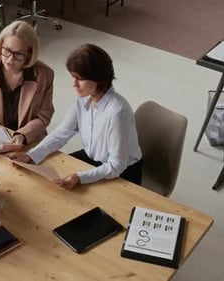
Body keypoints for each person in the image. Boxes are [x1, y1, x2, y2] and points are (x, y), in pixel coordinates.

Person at [9, 43, 142, 189]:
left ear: (98, 78)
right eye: (73, 77)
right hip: (93, 159)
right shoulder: (84, 98)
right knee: (47, 182)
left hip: (122, 172)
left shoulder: (118, 111)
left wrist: (80, 177)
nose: (74, 84)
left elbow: (116, 166)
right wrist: (31, 155)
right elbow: (62, 133)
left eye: (79, 79)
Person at [0, 20, 55, 147]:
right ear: (0, 45)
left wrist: (23, 135)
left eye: (18, 55)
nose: (10, 60)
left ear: (29, 54)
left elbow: (44, 116)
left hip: (28, 140)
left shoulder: (45, 75)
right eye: (6, 51)